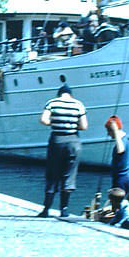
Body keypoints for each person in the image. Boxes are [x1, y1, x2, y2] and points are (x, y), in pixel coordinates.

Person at [37, 84, 88, 217]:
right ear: (70, 94)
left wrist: (52, 123)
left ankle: (46, 210)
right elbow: (84, 126)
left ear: (59, 93)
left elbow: (43, 120)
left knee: (52, 175)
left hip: (57, 141)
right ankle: (64, 210)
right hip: (73, 142)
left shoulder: (52, 103)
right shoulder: (79, 104)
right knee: (69, 175)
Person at [104, 115, 129, 205]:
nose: (108, 134)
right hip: (126, 176)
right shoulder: (125, 139)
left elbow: (120, 150)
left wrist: (115, 131)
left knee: (117, 203)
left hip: (121, 177)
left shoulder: (121, 141)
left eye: (108, 131)